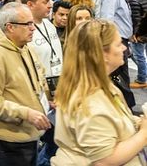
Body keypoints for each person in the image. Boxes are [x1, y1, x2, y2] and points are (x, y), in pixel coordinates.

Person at [52, 20, 147, 165]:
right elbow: (105, 160)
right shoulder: (90, 103)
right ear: (102, 54)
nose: (124, 48)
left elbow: (114, 119)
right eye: (118, 44)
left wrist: (138, 122)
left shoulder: (99, 85)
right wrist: (144, 134)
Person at [0, 2, 52, 164]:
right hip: (7, 141)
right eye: (28, 24)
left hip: (28, 134)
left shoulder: (26, 48)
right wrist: (26, 113)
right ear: (10, 27)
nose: (33, 28)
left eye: (33, 23)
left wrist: (48, 99)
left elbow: (38, 80)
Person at [100, 0, 136, 100]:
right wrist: (112, 43)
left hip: (122, 40)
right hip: (115, 42)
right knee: (119, 77)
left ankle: (126, 104)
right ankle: (125, 105)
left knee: (123, 77)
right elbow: (106, 20)